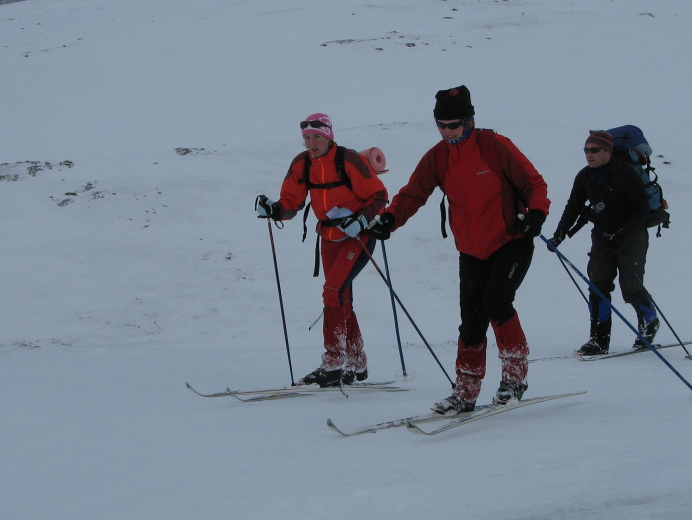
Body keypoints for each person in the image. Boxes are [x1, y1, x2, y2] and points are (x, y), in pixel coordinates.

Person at [369, 86, 550, 413]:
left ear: (470, 120)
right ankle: (465, 392)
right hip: (471, 250)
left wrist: (537, 213)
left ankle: (514, 378)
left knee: (496, 301)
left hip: (512, 241)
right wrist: (390, 218)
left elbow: (533, 183)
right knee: (471, 321)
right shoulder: (438, 156)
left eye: (455, 125)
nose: (449, 131)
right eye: (442, 125)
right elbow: (413, 194)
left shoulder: (495, 147)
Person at [255, 113, 388, 387]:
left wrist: (361, 219)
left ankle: (333, 363)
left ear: (329, 136)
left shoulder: (348, 160)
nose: (311, 142)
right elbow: (291, 202)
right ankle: (357, 362)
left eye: (317, 137)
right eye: (307, 138)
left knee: (333, 292)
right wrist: (274, 209)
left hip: (357, 236)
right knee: (341, 298)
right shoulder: (302, 164)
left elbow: (379, 196)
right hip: (328, 236)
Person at [547, 130, 659, 356]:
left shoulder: (627, 174)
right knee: (598, 285)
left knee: (631, 287)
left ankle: (649, 322)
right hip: (602, 237)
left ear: (608, 152)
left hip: (631, 237)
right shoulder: (585, 176)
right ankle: (599, 339)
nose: (589, 154)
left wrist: (623, 235)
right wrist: (560, 234)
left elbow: (641, 209)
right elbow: (573, 206)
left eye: (594, 150)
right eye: (586, 150)